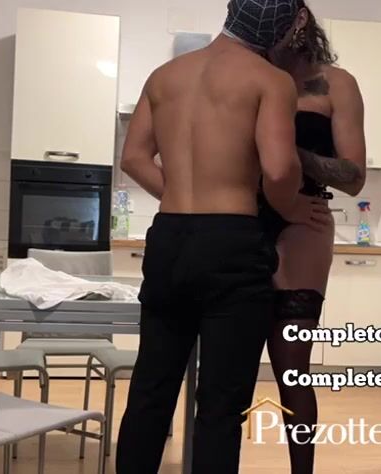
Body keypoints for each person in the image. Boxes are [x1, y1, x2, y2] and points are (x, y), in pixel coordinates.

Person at [115, 1, 331, 473]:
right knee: (220, 405)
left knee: (150, 393)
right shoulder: (269, 80)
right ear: (283, 25)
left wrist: (180, 194)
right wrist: (292, 207)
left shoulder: (165, 75)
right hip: (232, 242)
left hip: (170, 237)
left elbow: (133, 158)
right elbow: (279, 169)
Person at [260, 2, 368, 473]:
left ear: (299, 21)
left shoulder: (335, 84)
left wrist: (286, 148)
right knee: (230, 370)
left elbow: (354, 176)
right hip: (242, 221)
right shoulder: (252, 74)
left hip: (305, 223)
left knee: (292, 368)